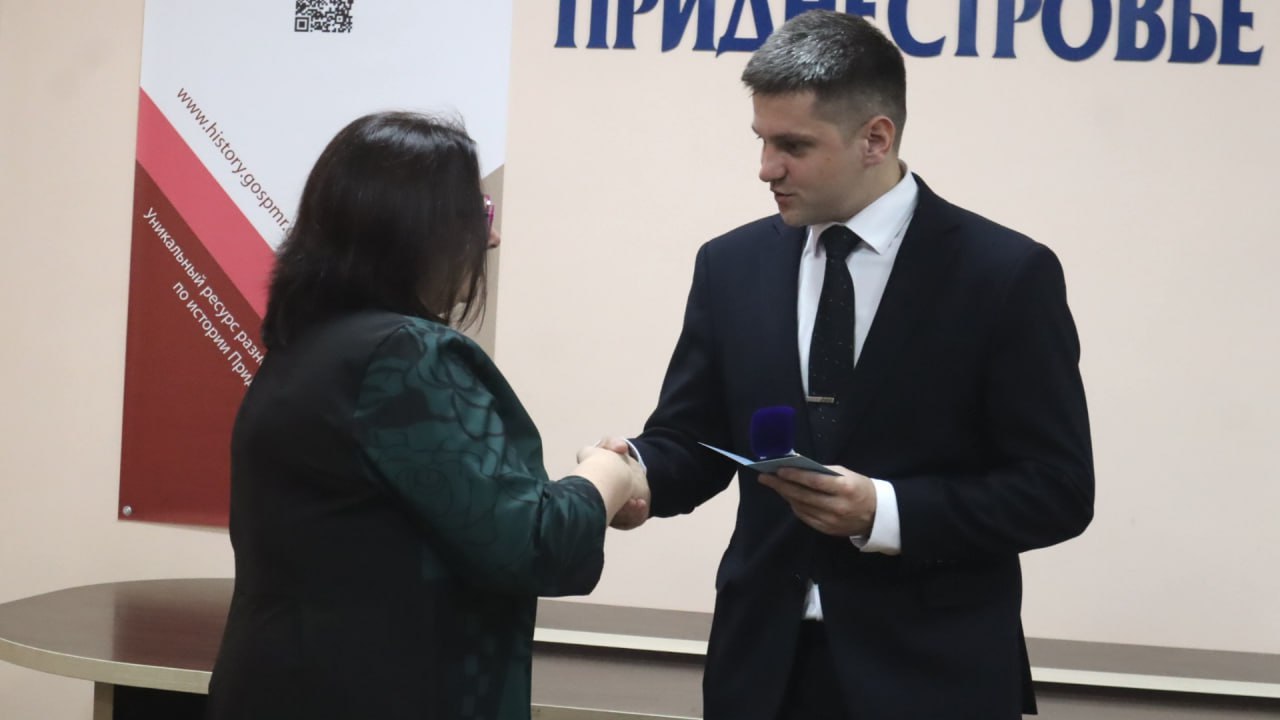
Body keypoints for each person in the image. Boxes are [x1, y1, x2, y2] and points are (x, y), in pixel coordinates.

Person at [604, 10, 1094, 720]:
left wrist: (884, 512)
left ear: (876, 139)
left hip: (932, 677)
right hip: (762, 671)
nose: (766, 167)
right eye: (762, 140)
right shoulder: (730, 265)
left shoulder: (1004, 275)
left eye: (793, 145)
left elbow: (1057, 489)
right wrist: (637, 475)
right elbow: (694, 437)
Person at [205, 111, 647, 720]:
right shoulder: (406, 354)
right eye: (478, 215)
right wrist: (607, 473)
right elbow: (530, 544)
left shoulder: (306, 346)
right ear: (420, 229)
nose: (492, 239)